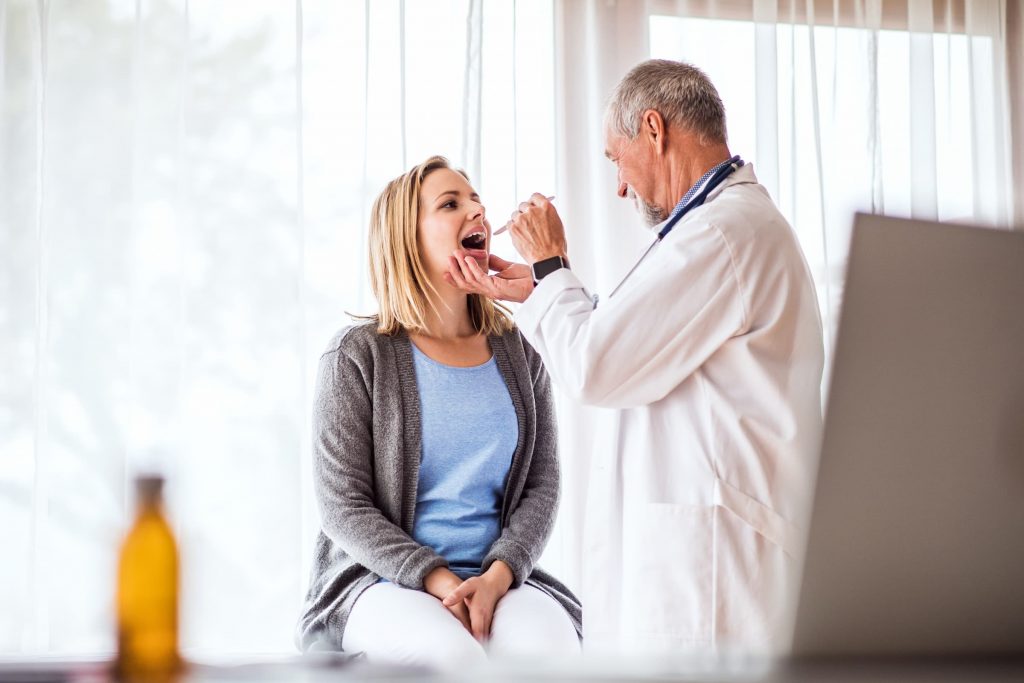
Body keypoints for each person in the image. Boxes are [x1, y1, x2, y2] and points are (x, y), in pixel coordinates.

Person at [446, 60, 825, 654]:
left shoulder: (724, 235)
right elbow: (642, 345)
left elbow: (597, 367)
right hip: (709, 562)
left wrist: (550, 264)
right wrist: (543, 289)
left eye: (614, 160)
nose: (619, 186)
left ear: (654, 128)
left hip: (716, 572)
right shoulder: (722, 230)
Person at [295, 156, 582, 667]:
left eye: (477, 202)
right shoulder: (357, 356)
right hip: (381, 581)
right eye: (450, 204)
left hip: (500, 577)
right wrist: (437, 578)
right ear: (407, 238)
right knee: (454, 660)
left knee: (550, 654)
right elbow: (343, 506)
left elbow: (543, 484)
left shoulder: (521, 350)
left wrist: (496, 577)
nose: (475, 212)